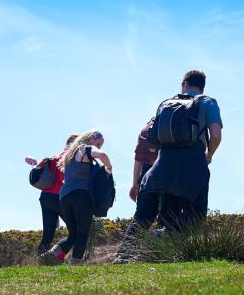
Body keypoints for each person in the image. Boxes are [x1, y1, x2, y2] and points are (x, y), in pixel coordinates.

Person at [114, 70, 222, 263]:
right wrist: (209, 155)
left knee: (151, 213)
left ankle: (124, 255)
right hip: (192, 161)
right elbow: (215, 135)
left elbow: (152, 138)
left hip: (162, 162)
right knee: (196, 213)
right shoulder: (207, 102)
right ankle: (163, 237)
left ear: (184, 84)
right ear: (202, 86)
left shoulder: (167, 104)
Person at [39, 130, 113, 265]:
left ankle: (50, 255)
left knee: (73, 234)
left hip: (64, 197)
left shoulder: (69, 155)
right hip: (81, 195)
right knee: (83, 233)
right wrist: (109, 167)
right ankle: (76, 264)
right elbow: (102, 155)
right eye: (98, 142)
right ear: (90, 138)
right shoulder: (86, 148)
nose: (99, 146)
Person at [25, 134, 78, 255]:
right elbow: (63, 178)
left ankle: (40, 260)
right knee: (75, 231)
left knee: (48, 233)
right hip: (58, 198)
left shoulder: (54, 157)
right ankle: (54, 256)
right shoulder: (68, 157)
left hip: (45, 197)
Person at [129, 119, 159, 202]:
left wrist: (135, 184)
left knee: (144, 212)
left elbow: (138, 160)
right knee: (170, 212)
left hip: (148, 174)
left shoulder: (148, 129)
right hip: (172, 172)